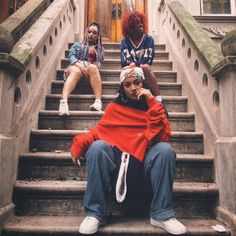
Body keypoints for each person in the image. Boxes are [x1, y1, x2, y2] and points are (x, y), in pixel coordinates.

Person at [70, 66, 187, 235]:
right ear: (122, 88)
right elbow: (99, 132)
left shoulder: (154, 106)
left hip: (144, 163)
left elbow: (163, 136)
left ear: (143, 83)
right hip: (119, 163)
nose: (133, 88)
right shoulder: (113, 108)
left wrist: (152, 102)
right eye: (128, 84)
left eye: (137, 83)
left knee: (165, 150)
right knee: (97, 148)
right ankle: (95, 213)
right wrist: (79, 143)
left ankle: (161, 214)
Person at [58, 22, 104, 116]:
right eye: (89, 31)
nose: (91, 34)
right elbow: (71, 57)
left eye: (94, 33)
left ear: (98, 35)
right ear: (86, 32)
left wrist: (96, 65)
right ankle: (63, 103)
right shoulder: (77, 45)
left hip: (88, 73)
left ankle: (98, 102)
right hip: (75, 69)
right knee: (76, 70)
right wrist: (78, 64)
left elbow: (98, 62)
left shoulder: (100, 50)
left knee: (94, 68)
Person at [120, 11, 161, 100]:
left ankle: (158, 97)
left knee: (145, 67)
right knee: (128, 70)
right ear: (130, 27)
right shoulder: (125, 42)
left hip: (144, 71)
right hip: (130, 71)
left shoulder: (148, 39)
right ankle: (122, 96)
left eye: (141, 22)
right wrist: (133, 66)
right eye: (137, 23)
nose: (141, 25)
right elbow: (126, 61)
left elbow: (148, 60)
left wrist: (138, 66)